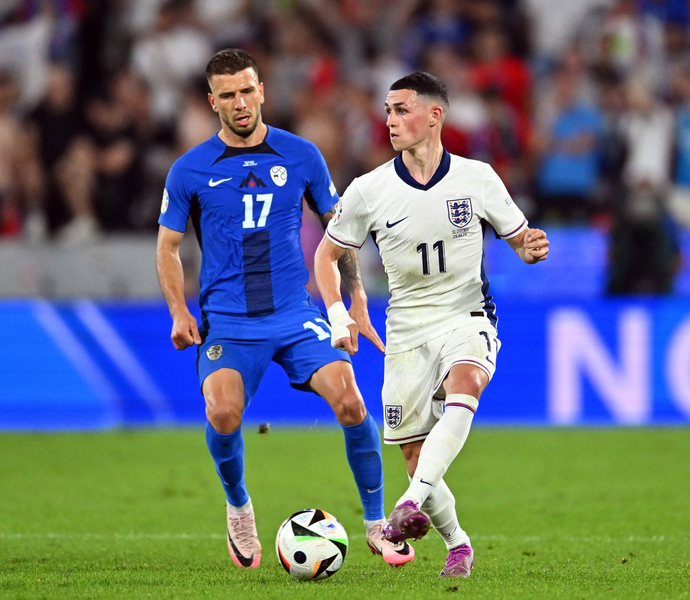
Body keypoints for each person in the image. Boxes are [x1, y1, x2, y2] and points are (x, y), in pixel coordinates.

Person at [156, 48, 413, 570]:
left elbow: (341, 230)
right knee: (223, 412)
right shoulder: (189, 170)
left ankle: (375, 522)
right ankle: (238, 507)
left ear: (262, 90)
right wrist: (179, 312)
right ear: (212, 102)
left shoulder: (301, 155)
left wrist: (354, 296)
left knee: (351, 403)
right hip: (229, 320)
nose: (240, 102)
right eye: (227, 95)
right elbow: (166, 247)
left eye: (247, 90)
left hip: (296, 314)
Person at [315, 72, 549, 578]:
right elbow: (325, 255)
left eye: (402, 110)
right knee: (416, 450)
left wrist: (530, 248)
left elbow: (520, 238)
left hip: (466, 315)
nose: (391, 120)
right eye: (388, 111)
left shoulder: (478, 178)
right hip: (405, 330)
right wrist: (340, 312)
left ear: (434, 115)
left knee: (466, 382)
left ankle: (409, 502)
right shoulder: (368, 190)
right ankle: (458, 543)